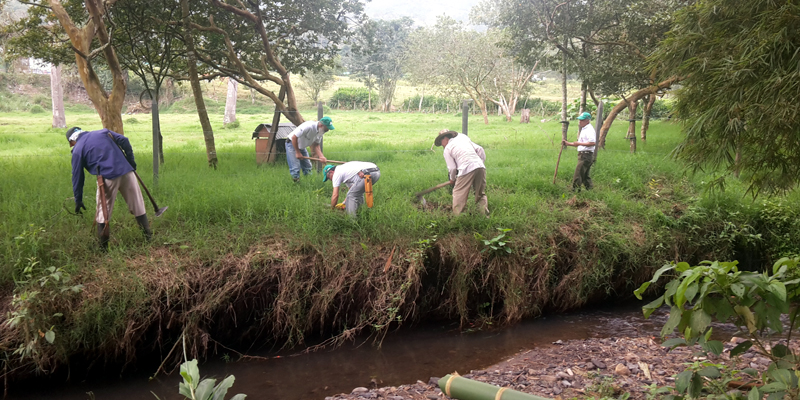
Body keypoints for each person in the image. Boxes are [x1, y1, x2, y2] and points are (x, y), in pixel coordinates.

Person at [67, 126, 151, 251]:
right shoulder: (103, 132)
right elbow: (124, 140)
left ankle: (103, 248)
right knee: (137, 204)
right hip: (127, 172)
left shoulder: (78, 149)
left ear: (71, 141)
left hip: (107, 178)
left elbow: (77, 176)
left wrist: (78, 199)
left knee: (103, 212)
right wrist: (131, 162)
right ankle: (148, 238)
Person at [434, 129, 488, 216]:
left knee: (458, 193)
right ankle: (483, 215)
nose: (442, 145)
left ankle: (458, 217)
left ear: (445, 138)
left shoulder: (448, 148)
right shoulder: (463, 138)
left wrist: (452, 179)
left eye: (441, 143)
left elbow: (452, 168)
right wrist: (479, 163)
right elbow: (480, 150)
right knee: (480, 193)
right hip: (480, 166)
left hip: (466, 168)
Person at [285, 116, 335, 182]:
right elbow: (294, 137)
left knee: (307, 167)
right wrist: (297, 152)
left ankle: (308, 182)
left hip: (302, 146)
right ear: (321, 125)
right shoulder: (308, 126)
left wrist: (321, 156)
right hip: (292, 144)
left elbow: (316, 144)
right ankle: (295, 184)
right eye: (327, 128)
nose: (327, 130)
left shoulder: (321, 131)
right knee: (295, 168)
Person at [562, 112, 596, 191]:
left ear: (587, 121)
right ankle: (590, 190)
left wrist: (579, 143)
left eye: (582, 120)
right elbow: (580, 144)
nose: (580, 121)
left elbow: (592, 143)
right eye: (579, 120)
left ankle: (575, 191)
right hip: (584, 154)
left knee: (578, 174)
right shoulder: (584, 129)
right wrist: (568, 143)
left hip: (585, 155)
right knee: (585, 175)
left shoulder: (589, 130)